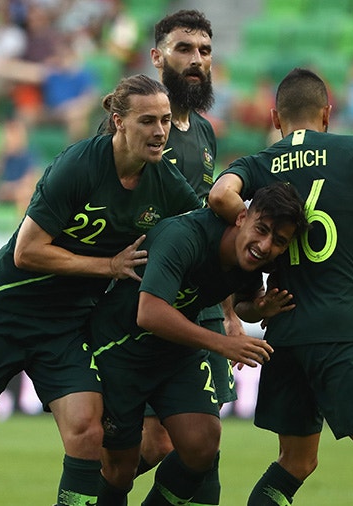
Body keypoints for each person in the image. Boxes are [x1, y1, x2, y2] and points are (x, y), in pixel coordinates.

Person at [0, 73, 201, 506]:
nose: (161, 131)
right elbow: (27, 252)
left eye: (165, 120)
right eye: (148, 120)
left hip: (66, 325)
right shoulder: (80, 165)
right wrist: (108, 265)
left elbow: (205, 232)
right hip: (4, 311)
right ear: (117, 122)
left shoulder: (164, 183)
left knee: (88, 432)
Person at [209, 68, 353, 506]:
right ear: (327, 113)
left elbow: (220, 195)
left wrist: (249, 225)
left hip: (282, 334)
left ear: (276, 118)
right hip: (338, 329)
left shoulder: (260, 162)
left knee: (295, 461)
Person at [93, 183, 308, 505]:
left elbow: (244, 302)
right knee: (120, 470)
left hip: (174, 351)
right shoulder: (182, 236)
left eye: (278, 241)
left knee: (202, 443)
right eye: (261, 230)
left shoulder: (249, 260)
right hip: (121, 349)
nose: (264, 246)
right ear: (241, 217)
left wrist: (258, 309)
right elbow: (149, 312)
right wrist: (223, 343)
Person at [135, 11, 240, 504]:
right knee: (151, 445)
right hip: (144, 303)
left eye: (204, 51)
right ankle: (86, 492)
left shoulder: (204, 133)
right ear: (158, 57)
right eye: (184, 49)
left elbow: (210, 234)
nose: (197, 60)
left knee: (202, 445)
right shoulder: (135, 125)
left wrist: (230, 312)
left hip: (199, 305)